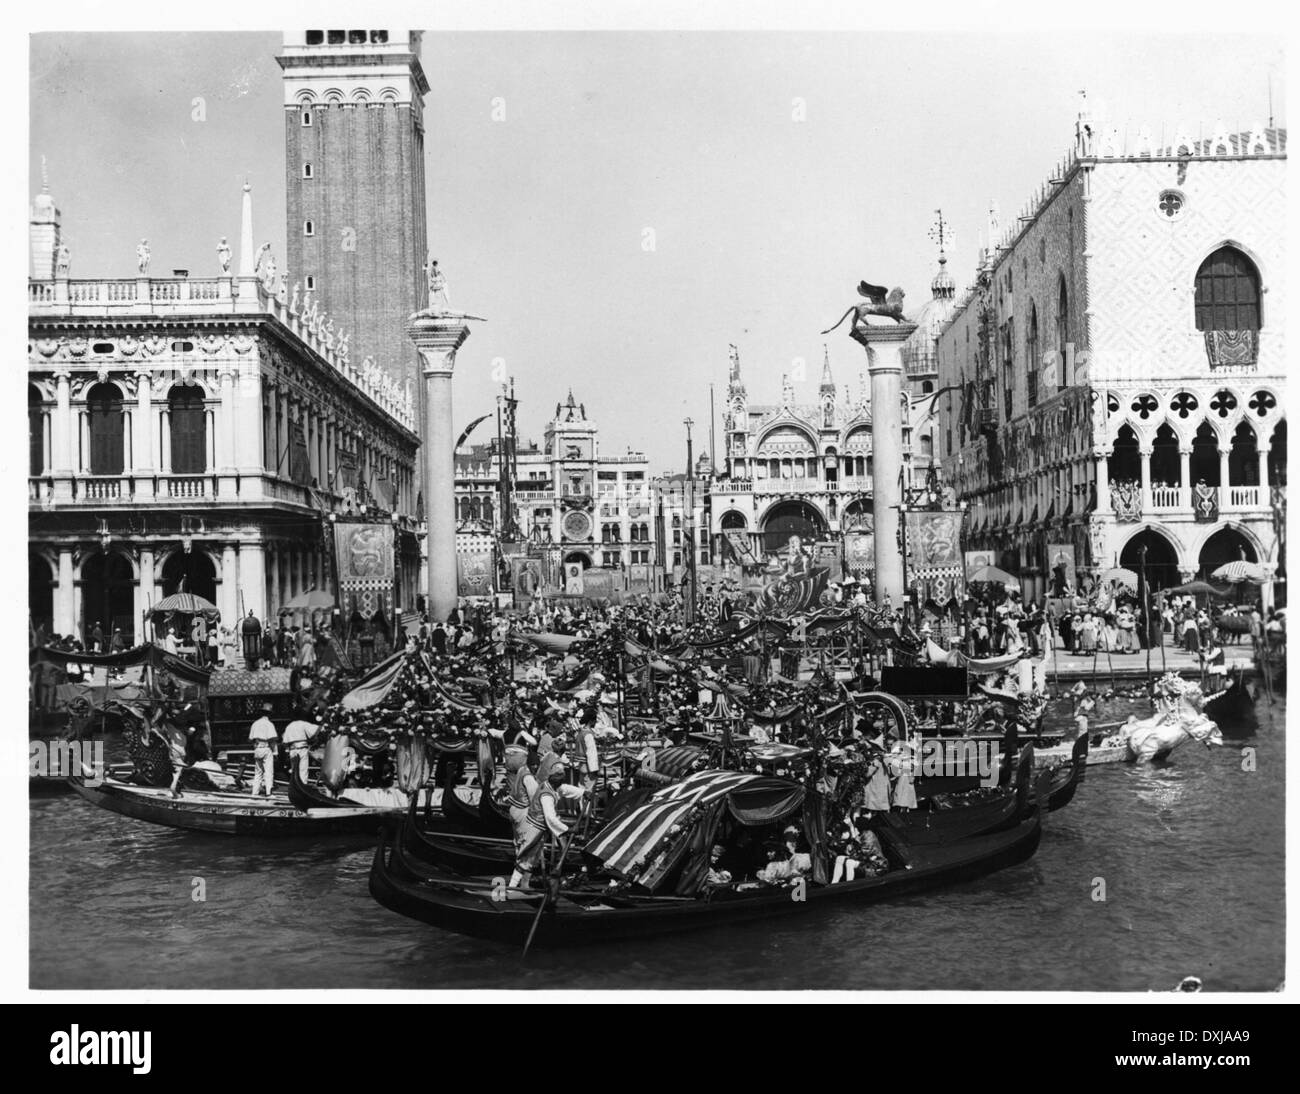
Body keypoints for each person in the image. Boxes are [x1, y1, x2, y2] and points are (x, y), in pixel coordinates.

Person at [248, 702, 278, 797]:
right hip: (266, 747)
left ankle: (254, 793)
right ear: (269, 714)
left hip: (257, 748)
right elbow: (272, 740)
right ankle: (268, 793)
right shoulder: (269, 724)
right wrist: (275, 752)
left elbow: (250, 739)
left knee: (258, 772)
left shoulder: (255, 723)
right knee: (268, 771)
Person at [281, 715, 319, 782]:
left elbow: (284, 741)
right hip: (301, 748)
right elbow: (316, 730)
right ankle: (302, 787)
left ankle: (295, 787)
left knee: (294, 770)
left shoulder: (289, 726)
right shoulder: (303, 724)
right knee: (303, 770)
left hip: (292, 749)